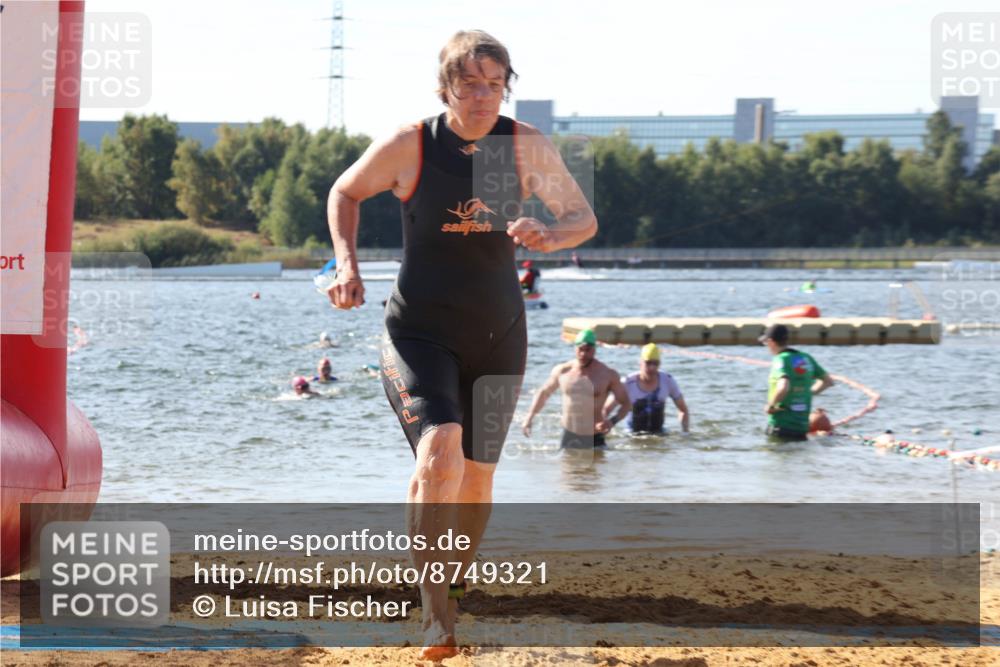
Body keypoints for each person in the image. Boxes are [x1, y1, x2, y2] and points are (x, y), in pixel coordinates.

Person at [324, 30, 597, 660]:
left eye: (494, 84)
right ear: (445, 87)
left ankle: (449, 582)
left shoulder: (521, 145)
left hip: (499, 332)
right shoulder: (411, 145)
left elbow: (582, 219)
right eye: (469, 84)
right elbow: (345, 191)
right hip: (419, 330)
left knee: (477, 478)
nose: (482, 96)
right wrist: (347, 264)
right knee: (440, 449)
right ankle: (435, 616)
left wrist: (551, 235)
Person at [522, 329, 630, 448]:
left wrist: (611, 422)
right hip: (569, 435)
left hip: (595, 436)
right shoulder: (563, 371)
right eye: (580, 349)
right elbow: (543, 393)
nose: (583, 354)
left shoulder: (607, 375)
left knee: (598, 460)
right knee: (566, 461)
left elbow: (626, 404)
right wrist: (529, 417)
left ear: (594, 350)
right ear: (575, 348)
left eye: (588, 350)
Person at [760, 324, 833, 441]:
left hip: (781, 426)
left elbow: (783, 386)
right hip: (802, 427)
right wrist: (807, 393)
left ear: (771, 342)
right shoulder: (805, 358)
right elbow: (828, 381)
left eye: (765, 343)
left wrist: (770, 406)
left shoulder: (780, 360)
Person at [605, 343, 690, 435]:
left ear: (659, 364)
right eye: (648, 363)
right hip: (632, 434)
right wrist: (604, 428)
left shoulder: (667, 381)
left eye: (655, 363)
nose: (652, 367)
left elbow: (683, 409)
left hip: (659, 433)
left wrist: (685, 433)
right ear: (640, 362)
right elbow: (606, 409)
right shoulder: (627, 383)